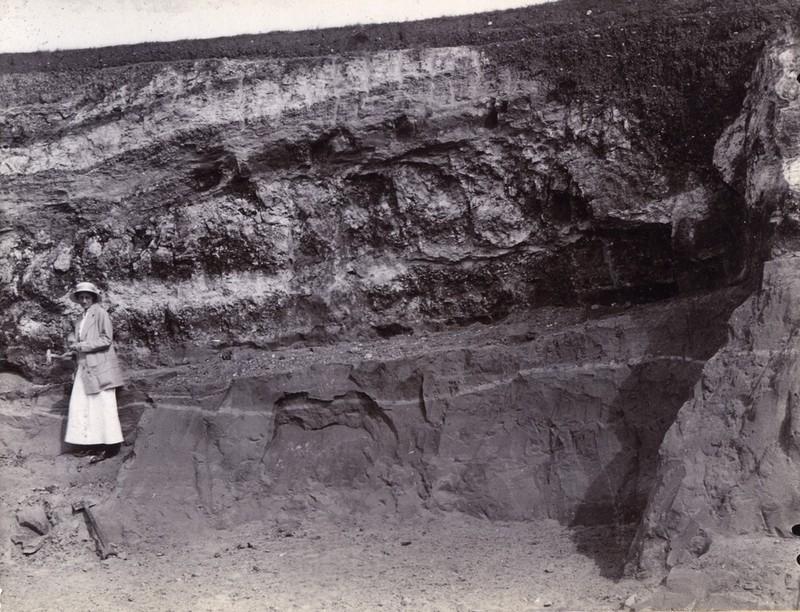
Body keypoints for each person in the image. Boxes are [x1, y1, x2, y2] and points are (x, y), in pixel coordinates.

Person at [63, 281, 125, 463]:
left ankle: (111, 447)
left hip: (100, 367)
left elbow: (106, 339)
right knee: (85, 407)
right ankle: (92, 444)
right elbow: (83, 344)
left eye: (87, 297)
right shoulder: (81, 319)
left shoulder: (100, 313)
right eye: (81, 297)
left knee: (103, 406)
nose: (83, 300)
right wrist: (74, 351)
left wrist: (81, 345)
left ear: (93, 298)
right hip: (85, 368)